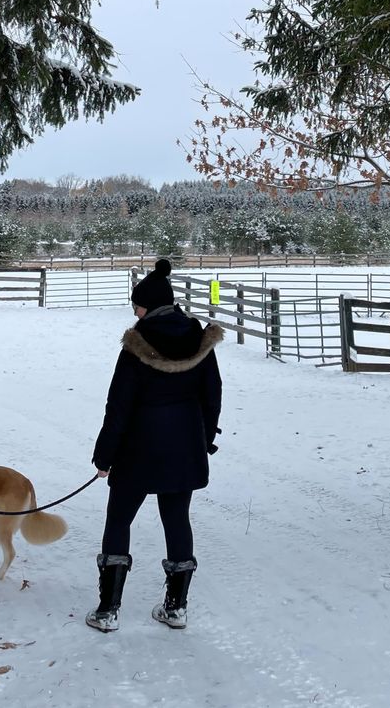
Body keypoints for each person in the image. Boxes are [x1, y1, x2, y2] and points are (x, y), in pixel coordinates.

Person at [86, 258, 223, 633]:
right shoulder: (200, 342)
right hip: (184, 449)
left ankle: (108, 610)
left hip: (137, 451)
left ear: (148, 306)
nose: (134, 311)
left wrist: (105, 456)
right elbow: (213, 397)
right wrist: (204, 439)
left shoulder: (135, 346)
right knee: (177, 520)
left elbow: (119, 406)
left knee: (118, 519)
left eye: (137, 305)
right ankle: (176, 608)